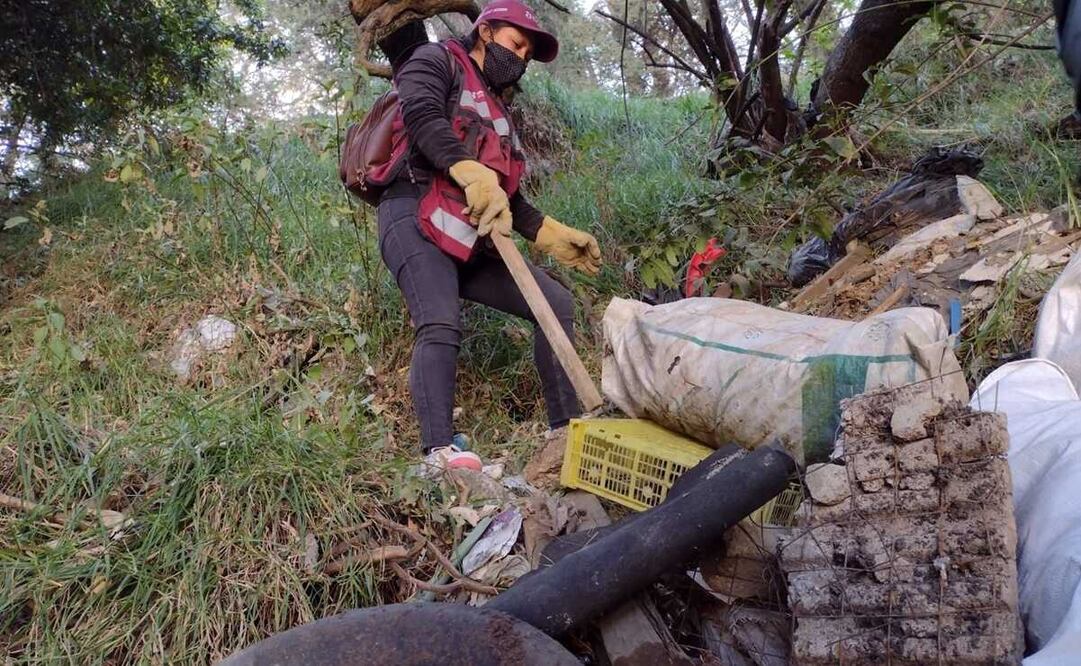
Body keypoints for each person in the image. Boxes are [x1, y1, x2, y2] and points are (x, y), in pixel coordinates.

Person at [377, 0, 601, 473]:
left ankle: (567, 431)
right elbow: (422, 119)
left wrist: (550, 233)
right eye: (515, 43)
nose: (519, 58)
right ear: (486, 30)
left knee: (554, 303)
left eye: (527, 54)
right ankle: (439, 453)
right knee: (439, 321)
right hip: (413, 215)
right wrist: (467, 170)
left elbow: (507, 198)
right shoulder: (435, 60)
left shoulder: (501, 111)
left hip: (469, 237)